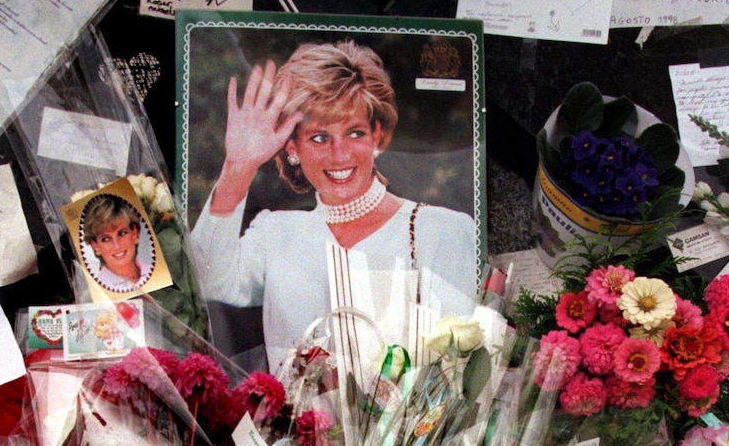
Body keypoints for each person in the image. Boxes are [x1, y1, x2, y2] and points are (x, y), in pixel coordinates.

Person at [191, 40, 477, 372]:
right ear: (292, 148)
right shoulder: (275, 234)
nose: (339, 154)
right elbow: (206, 278)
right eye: (318, 137)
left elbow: (461, 367)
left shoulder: (441, 230)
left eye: (354, 133)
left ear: (377, 136)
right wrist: (238, 167)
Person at [82, 195, 153, 293]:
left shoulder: (156, 272)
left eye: (122, 233)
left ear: (134, 233)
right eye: (106, 239)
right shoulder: (97, 293)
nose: (117, 246)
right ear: (95, 245)